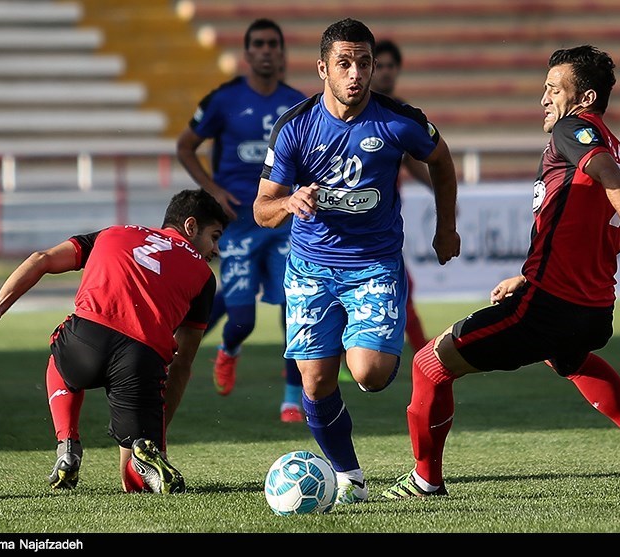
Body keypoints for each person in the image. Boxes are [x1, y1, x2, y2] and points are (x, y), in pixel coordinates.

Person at [381, 45, 620, 500]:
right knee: (569, 358)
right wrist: (526, 275)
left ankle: (426, 480)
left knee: (428, 365)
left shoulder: (573, 130)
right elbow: (580, 221)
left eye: (553, 89)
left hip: (549, 307)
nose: (543, 98)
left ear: (584, 99)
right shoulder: (616, 146)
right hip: (594, 309)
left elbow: (606, 176)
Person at [253, 18, 460, 504]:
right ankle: (350, 477)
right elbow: (262, 208)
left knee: (367, 373)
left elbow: (442, 160)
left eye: (363, 63)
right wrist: (288, 203)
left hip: (373, 264)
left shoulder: (398, 120)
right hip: (309, 268)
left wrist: (445, 227)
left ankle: (370, 352)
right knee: (316, 380)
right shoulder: (294, 128)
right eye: (344, 64)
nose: (355, 74)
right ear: (322, 68)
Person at [0, 189, 230, 494]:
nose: (216, 249)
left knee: (59, 356)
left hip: (85, 341)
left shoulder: (113, 233)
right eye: (215, 236)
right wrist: (158, 432)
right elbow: (182, 364)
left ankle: (67, 444)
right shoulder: (203, 276)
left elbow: (41, 259)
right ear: (190, 227)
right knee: (134, 481)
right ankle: (143, 450)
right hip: (141, 360)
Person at [176, 18, 307, 423]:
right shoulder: (223, 100)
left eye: (273, 44)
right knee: (243, 318)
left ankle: (291, 398)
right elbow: (185, 147)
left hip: (283, 222)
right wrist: (211, 188)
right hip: (236, 226)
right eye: (259, 45)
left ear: (281, 53)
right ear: (248, 54)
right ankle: (229, 348)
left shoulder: (300, 103)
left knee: (293, 307)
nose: (267, 51)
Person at [372, 38, 431, 353]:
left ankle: (424, 354)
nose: (384, 73)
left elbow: (411, 160)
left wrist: (438, 189)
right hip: (352, 219)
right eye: (378, 66)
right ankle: (425, 353)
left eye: (390, 66)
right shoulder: (352, 111)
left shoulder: (401, 115)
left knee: (402, 285)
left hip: (385, 218)